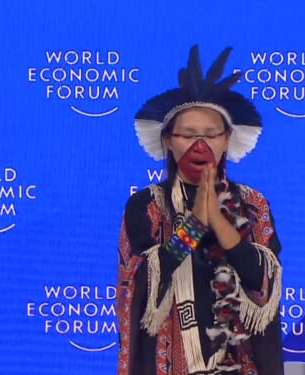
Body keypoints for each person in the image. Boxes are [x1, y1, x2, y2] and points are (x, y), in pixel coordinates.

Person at [116, 45, 284, 375]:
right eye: (188, 135)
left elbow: (262, 282)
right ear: (167, 140)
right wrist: (194, 224)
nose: (200, 146)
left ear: (227, 139)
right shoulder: (146, 205)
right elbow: (143, 282)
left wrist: (218, 222)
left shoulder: (253, 204)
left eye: (210, 135)